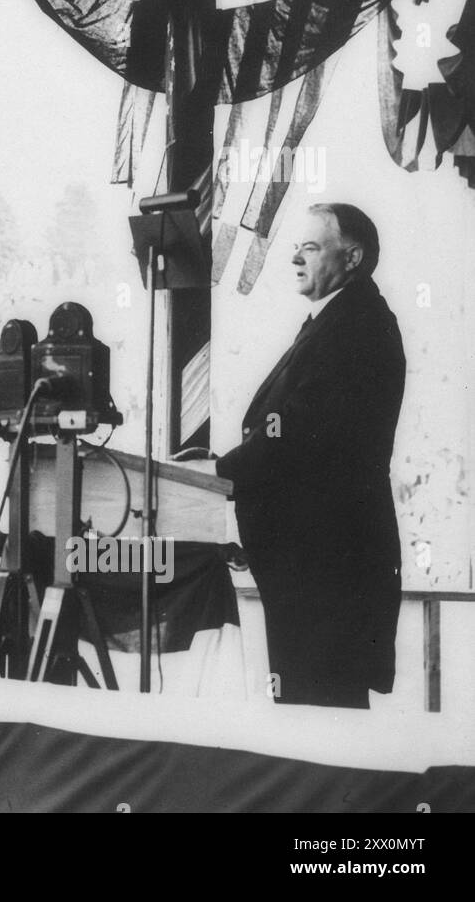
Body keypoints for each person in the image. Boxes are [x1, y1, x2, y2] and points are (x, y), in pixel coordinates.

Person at [212, 204, 405, 709]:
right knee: (313, 714)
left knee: (321, 722)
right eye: (297, 247)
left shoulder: (357, 327)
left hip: (328, 570)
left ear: (353, 257)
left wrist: (215, 473)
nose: (294, 258)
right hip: (314, 566)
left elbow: (296, 430)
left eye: (311, 247)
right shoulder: (338, 320)